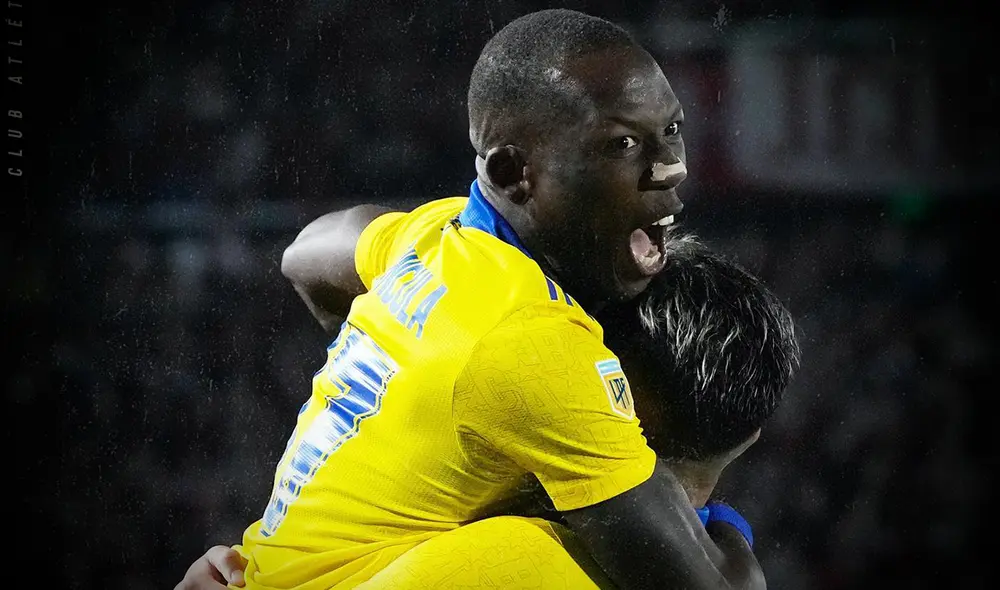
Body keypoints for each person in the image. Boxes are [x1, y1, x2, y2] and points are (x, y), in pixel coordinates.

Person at [179, 9, 764, 590]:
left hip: (258, 570)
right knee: (573, 548)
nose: (672, 166)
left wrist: (398, 356)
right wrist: (722, 517)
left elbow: (305, 253)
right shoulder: (531, 339)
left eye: (672, 130)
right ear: (514, 173)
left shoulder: (437, 238)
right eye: (624, 143)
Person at [177, 234, 801, 589]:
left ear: (612, 400)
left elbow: (310, 252)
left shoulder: (536, 558)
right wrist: (729, 528)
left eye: (585, 341)